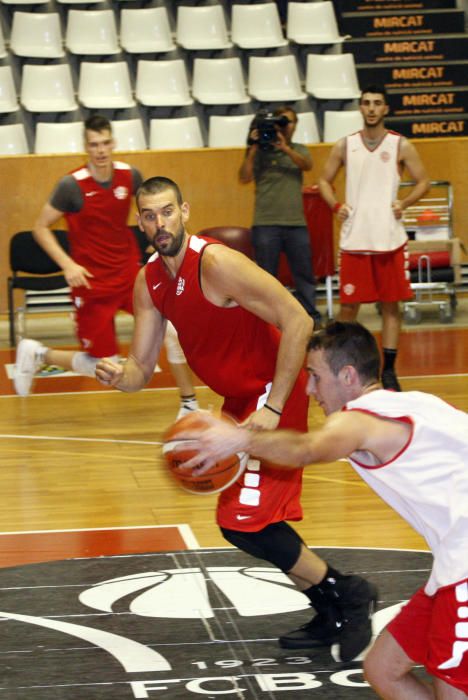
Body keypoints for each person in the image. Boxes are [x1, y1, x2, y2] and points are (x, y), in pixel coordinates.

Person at [95, 176, 377, 662]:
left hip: (272, 393)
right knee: (255, 518)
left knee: (243, 521)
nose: (159, 223)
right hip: (238, 400)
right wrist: (119, 373)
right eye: (148, 215)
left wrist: (272, 407)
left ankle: (347, 593)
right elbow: (140, 370)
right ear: (139, 222)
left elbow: (299, 320)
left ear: (184, 210)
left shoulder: (218, 263)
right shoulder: (150, 281)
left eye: (166, 212)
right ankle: (330, 606)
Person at [178, 321, 468, 699]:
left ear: (348, 375)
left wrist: (237, 439)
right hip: (452, 564)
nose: (310, 389)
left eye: (314, 376)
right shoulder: (415, 403)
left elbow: (308, 449)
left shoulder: (360, 418)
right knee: (383, 670)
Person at [13, 115, 198, 419]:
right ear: (85, 146)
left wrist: (155, 242)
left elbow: (149, 214)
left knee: (172, 331)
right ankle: (37, 353)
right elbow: (40, 228)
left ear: (113, 143)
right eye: (93, 144)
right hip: (91, 282)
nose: (100, 150)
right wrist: (67, 264)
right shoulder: (71, 185)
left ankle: (189, 404)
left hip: (128, 275)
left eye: (105, 143)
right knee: (104, 363)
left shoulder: (130, 175)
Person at [318, 85, 430, 391]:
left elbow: (424, 182)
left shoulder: (400, 145)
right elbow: (324, 181)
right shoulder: (345, 145)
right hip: (355, 240)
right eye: (366, 103)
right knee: (348, 309)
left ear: (385, 109)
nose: (371, 108)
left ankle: (389, 371)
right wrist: (336, 206)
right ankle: (337, 364)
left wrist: (404, 203)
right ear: (360, 108)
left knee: (391, 306)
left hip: (389, 239)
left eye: (377, 103)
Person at [239, 106, 322, 326]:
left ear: (294, 126)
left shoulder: (299, 149)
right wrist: (253, 148)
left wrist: (285, 148)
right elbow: (244, 177)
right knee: (266, 277)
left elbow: (307, 165)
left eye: (290, 122)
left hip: (296, 223)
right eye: (281, 122)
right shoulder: (259, 152)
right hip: (265, 223)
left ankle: (310, 318)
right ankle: (268, 320)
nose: (285, 126)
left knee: (304, 274)